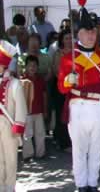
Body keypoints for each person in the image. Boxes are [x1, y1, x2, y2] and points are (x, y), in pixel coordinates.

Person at [57, 0, 100, 192]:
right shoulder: (69, 58)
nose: (92, 36)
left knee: (97, 149)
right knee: (80, 150)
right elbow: (61, 87)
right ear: (79, 34)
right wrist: (68, 81)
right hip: (79, 107)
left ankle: (93, 184)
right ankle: (81, 185)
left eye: (93, 32)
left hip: (98, 107)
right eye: (87, 32)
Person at [0, 40, 28, 192]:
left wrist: (18, 125)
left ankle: (9, 188)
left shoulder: (14, 83)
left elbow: (21, 107)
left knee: (10, 158)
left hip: (8, 124)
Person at [21, 55, 47, 161]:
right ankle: (27, 154)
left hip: (39, 111)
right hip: (27, 112)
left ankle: (40, 153)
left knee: (40, 133)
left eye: (34, 65)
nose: (32, 68)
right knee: (27, 134)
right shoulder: (22, 80)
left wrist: (45, 110)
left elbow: (44, 96)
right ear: (26, 67)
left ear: (37, 67)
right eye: (30, 65)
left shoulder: (40, 80)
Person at [51, 29, 72, 151]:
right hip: (61, 88)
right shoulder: (58, 54)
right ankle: (63, 142)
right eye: (66, 38)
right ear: (62, 40)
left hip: (74, 89)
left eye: (70, 38)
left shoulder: (76, 53)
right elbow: (56, 70)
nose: (69, 40)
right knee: (61, 114)